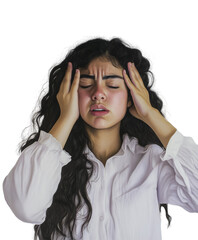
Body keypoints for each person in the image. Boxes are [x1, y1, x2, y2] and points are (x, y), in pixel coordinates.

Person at [2, 37, 198, 240]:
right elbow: (26, 208)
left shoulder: (151, 163)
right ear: (70, 93)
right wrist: (65, 118)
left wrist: (151, 114)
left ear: (131, 96)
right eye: (86, 84)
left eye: (112, 85)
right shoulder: (50, 163)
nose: (98, 94)